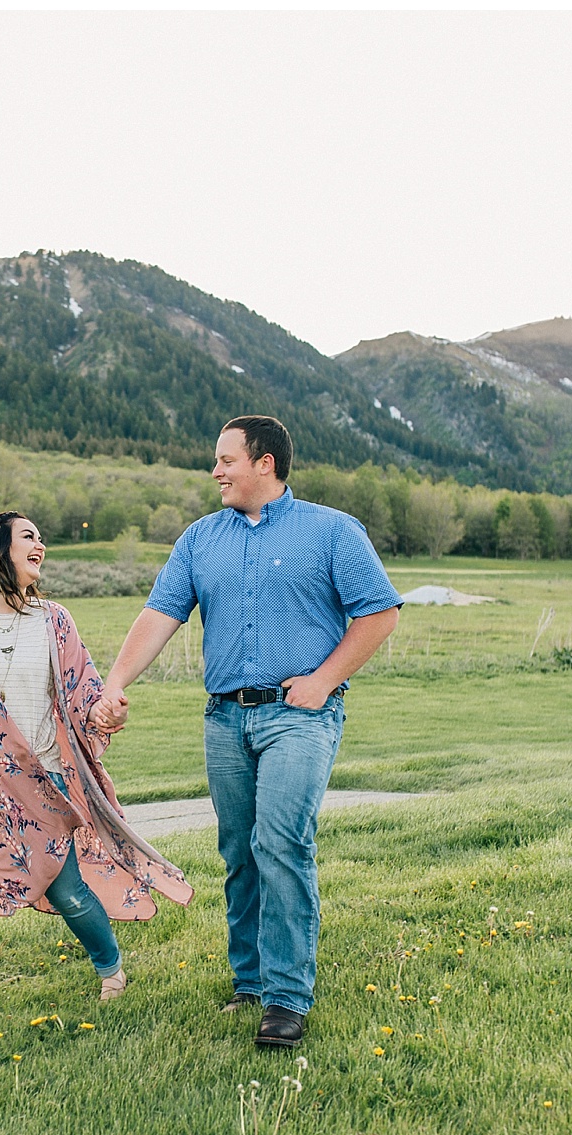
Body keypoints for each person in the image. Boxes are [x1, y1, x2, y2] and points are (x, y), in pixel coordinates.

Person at [93, 416, 403, 1048]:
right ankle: (251, 983)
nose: (216, 471)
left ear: (265, 463)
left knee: (281, 841)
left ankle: (288, 999)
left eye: (226, 460)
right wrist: (116, 680)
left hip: (300, 715)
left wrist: (323, 679)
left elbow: (381, 611)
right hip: (224, 716)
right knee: (239, 852)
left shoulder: (332, 530)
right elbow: (161, 614)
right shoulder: (201, 538)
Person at [0, 511, 193, 1063]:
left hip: (40, 787)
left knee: (70, 893)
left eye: (41, 537)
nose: (40, 543)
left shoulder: (55, 620)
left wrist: (108, 711)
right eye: (29, 536)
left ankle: (109, 965)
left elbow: (84, 690)